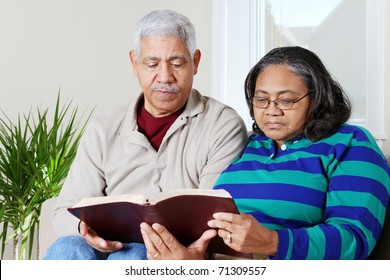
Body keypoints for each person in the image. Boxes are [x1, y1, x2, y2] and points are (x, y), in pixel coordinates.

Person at [140, 46, 390, 260]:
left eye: (286, 100)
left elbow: (354, 239)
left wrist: (272, 241)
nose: (271, 111)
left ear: (317, 99)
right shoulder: (247, 144)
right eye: (261, 100)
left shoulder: (350, 143)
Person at [44, 9, 247, 260]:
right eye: (152, 64)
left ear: (195, 61)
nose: (164, 77)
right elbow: (64, 211)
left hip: (172, 253)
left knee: (133, 255)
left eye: (177, 63)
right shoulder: (104, 127)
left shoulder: (222, 124)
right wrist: (84, 230)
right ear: (134, 63)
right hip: (103, 249)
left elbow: (210, 218)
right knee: (67, 248)